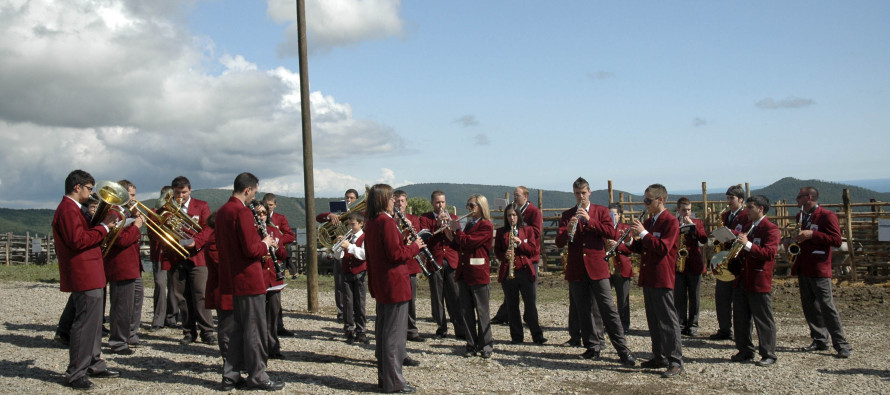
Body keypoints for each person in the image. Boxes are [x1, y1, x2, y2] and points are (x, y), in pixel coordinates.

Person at [52, 170, 121, 389]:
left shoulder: (76, 210)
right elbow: (77, 240)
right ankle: (76, 373)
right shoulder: (68, 210)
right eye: (90, 189)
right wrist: (103, 227)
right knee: (84, 325)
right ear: (77, 187)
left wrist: (103, 224)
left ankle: (94, 363)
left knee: (93, 324)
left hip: (91, 270)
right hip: (84, 272)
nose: (92, 193)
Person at [216, 172, 284, 391]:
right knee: (254, 329)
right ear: (247, 190)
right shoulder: (241, 212)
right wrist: (265, 243)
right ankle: (258, 375)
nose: (254, 196)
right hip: (249, 278)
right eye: (254, 191)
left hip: (233, 277)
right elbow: (251, 249)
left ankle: (231, 376)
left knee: (238, 329)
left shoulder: (223, 211)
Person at [556, 177, 635, 366]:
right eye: (577, 193)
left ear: (589, 192)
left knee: (608, 309)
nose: (580, 197)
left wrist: (590, 220)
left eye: (583, 193)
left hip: (598, 268)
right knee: (583, 310)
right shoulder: (568, 214)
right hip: (577, 269)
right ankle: (592, 346)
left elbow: (612, 233)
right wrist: (567, 230)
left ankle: (622, 350)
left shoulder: (600, 211)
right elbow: (559, 243)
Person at [364, 183, 423, 393]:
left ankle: (385, 379)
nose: (394, 202)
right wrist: (415, 247)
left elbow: (385, 250)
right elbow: (395, 255)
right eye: (391, 199)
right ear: (383, 200)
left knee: (384, 333)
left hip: (382, 283)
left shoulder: (371, 222)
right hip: (394, 284)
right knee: (394, 336)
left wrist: (403, 242)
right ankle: (394, 382)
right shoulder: (385, 222)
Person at [626, 183, 683, 378]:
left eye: (648, 201)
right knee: (653, 320)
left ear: (661, 200)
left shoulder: (671, 222)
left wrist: (643, 233)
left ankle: (675, 361)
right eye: (644, 200)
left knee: (667, 320)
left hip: (662, 276)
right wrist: (629, 242)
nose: (645, 204)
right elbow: (643, 248)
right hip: (649, 276)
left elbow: (662, 248)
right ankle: (659, 356)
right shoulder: (650, 222)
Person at [790, 187, 851, 358]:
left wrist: (812, 234)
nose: (797, 200)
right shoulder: (800, 216)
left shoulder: (827, 215)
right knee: (809, 306)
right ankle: (819, 339)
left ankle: (841, 343)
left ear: (809, 197)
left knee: (827, 306)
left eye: (799, 197)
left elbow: (836, 240)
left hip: (819, 267)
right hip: (803, 266)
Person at [729, 195, 780, 366]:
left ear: (761, 209)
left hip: (759, 279)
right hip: (742, 278)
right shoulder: (748, 227)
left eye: (750, 207)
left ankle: (768, 353)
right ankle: (745, 350)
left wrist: (747, 245)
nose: (746, 210)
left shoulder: (771, 229)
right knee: (741, 318)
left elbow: (769, 254)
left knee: (763, 319)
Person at [445, 194, 495, 359]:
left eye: (472, 206)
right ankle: (471, 343)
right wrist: (448, 232)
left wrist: (457, 230)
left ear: (481, 207)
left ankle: (486, 344)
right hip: (464, 272)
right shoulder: (468, 225)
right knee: (466, 311)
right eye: (468, 205)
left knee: (482, 311)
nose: (469, 209)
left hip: (478, 272)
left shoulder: (486, 225)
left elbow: (468, 242)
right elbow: (459, 245)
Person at [169, 176, 216, 346]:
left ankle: (208, 331)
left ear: (190, 190)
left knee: (200, 294)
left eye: (184, 192)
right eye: (177, 192)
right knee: (181, 296)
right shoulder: (168, 208)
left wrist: (196, 241)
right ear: (172, 192)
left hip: (197, 257)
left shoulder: (201, 206)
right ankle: (188, 331)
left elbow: (209, 227)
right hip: (177, 257)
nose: (180, 196)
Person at [103, 180, 145, 355]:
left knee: (133, 303)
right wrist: (136, 226)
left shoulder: (125, 212)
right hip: (121, 266)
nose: (135, 199)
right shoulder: (114, 213)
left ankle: (128, 335)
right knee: (121, 306)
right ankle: (118, 342)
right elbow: (121, 240)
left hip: (132, 266)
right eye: (132, 195)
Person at [492, 186, 543, 329]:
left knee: (529, 295)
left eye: (517, 195)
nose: (515, 198)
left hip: (528, 258)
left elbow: (537, 232)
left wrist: (521, 234)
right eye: (514, 196)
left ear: (525, 196)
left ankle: (531, 322)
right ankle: (507, 318)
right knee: (511, 295)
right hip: (513, 260)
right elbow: (498, 251)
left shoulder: (534, 211)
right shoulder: (512, 213)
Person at [419, 190, 466, 339]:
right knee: (437, 296)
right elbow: (425, 241)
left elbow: (457, 242)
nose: (440, 205)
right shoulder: (425, 218)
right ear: (432, 203)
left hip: (451, 260)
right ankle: (441, 328)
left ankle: (460, 329)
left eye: (443, 202)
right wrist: (437, 225)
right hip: (435, 260)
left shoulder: (453, 218)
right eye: (438, 202)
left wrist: (449, 230)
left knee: (455, 295)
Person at [711, 185, 750, 341]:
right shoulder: (726, 215)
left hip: (738, 260)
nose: (728, 201)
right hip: (725, 258)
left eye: (731, 198)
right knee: (722, 297)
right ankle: (724, 329)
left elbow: (746, 234)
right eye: (727, 198)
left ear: (741, 199)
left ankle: (741, 333)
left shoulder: (747, 215)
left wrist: (730, 232)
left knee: (739, 300)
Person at [316, 188, 360, 323]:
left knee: (357, 287)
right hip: (340, 254)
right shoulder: (338, 212)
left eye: (352, 198)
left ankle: (355, 313)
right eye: (347, 197)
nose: (349, 200)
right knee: (340, 286)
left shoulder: (360, 213)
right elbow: (319, 217)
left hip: (355, 253)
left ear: (357, 199)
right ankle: (341, 313)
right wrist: (330, 216)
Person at [255, 202, 288, 361]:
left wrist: (276, 247)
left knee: (273, 316)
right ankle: (258, 349)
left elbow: (283, 254)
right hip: (258, 277)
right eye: (258, 213)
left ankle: (273, 348)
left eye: (263, 213)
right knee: (257, 317)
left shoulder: (274, 231)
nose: (261, 216)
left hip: (274, 279)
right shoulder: (251, 231)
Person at [262, 193, 297, 337]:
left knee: (275, 297)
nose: (268, 207)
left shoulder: (280, 218)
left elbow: (290, 235)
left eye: (270, 205)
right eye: (266, 204)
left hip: (277, 257)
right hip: (264, 263)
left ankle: (278, 325)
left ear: (275, 205)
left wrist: (278, 239)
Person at [394, 190, 424, 345]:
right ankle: (397, 330)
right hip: (395, 265)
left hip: (410, 264)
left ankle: (412, 330)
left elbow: (417, 238)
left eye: (403, 201)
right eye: (397, 201)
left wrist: (409, 225)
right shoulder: (389, 220)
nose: (400, 204)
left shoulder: (413, 219)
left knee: (411, 299)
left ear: (406, 203)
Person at [148, 186, 181, 331]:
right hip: (159, 253)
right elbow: (151, 233)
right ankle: (158, 319)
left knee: (174, 286)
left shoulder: (176, 213)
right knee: (160, 285)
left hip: (172, 254)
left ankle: (172, 317)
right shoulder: (153, 213)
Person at [674, 197, 708, 337]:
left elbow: (704, 239)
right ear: (678, 210)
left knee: (694, 297)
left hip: (694, 264)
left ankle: (693, 325)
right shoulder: (673, 223)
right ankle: (680, 324)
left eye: (689, 210)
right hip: (679, 265)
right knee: (679, 296)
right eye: (683, 210)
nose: (686, 213)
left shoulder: (697, 222)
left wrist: (693, 227)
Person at [337, 212, 368, 344]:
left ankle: (361, 331)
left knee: (360, 304)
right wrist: (339, 246)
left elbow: (364, 255)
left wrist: (349, 246)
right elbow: (338, 256)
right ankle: (349, 330)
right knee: (348, 303)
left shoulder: (365, 237)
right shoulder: (347, 237)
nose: (350, 226)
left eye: (353, 224)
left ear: (361, 224)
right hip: (346, 273)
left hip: (360, 273)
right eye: (349, 224)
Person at [606, 203, 634, 333]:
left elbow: (630, 249)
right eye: (610, 214)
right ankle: (608, 324)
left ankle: (624, 325)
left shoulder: (626, 228)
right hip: (607, 267)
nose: (612, 216)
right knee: (606, 298)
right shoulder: (604, 228)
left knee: (623, 298)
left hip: (622, 267)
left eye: (614, 214)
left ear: (619, 215)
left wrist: (618, 245)